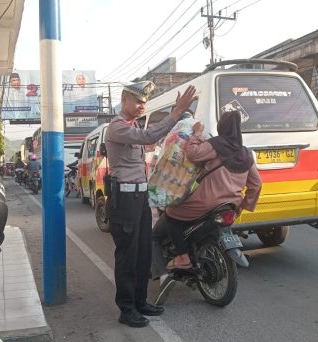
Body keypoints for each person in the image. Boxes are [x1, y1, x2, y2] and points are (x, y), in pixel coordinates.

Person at [105, 80, 196, 328]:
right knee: (128, 255)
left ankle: (140, 301)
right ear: (123, 100)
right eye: (137, 100)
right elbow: (149, 135)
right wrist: (176, 112)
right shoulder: (116, 127)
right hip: (125, 199)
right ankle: (126, 309)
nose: (141, 105)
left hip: (140, 196)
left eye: (144, 102)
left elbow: (153, 138)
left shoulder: (131, 126)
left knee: (143, 252)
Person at [158, 111, 262, 271]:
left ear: (222, 126)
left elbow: (192, 154)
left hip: (205, 204)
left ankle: (183, 258)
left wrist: (197, 133)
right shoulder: (245, 153)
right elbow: (256, 184)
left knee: (171, 214)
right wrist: (242, 206)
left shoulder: (216, 145)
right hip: (230, 205)